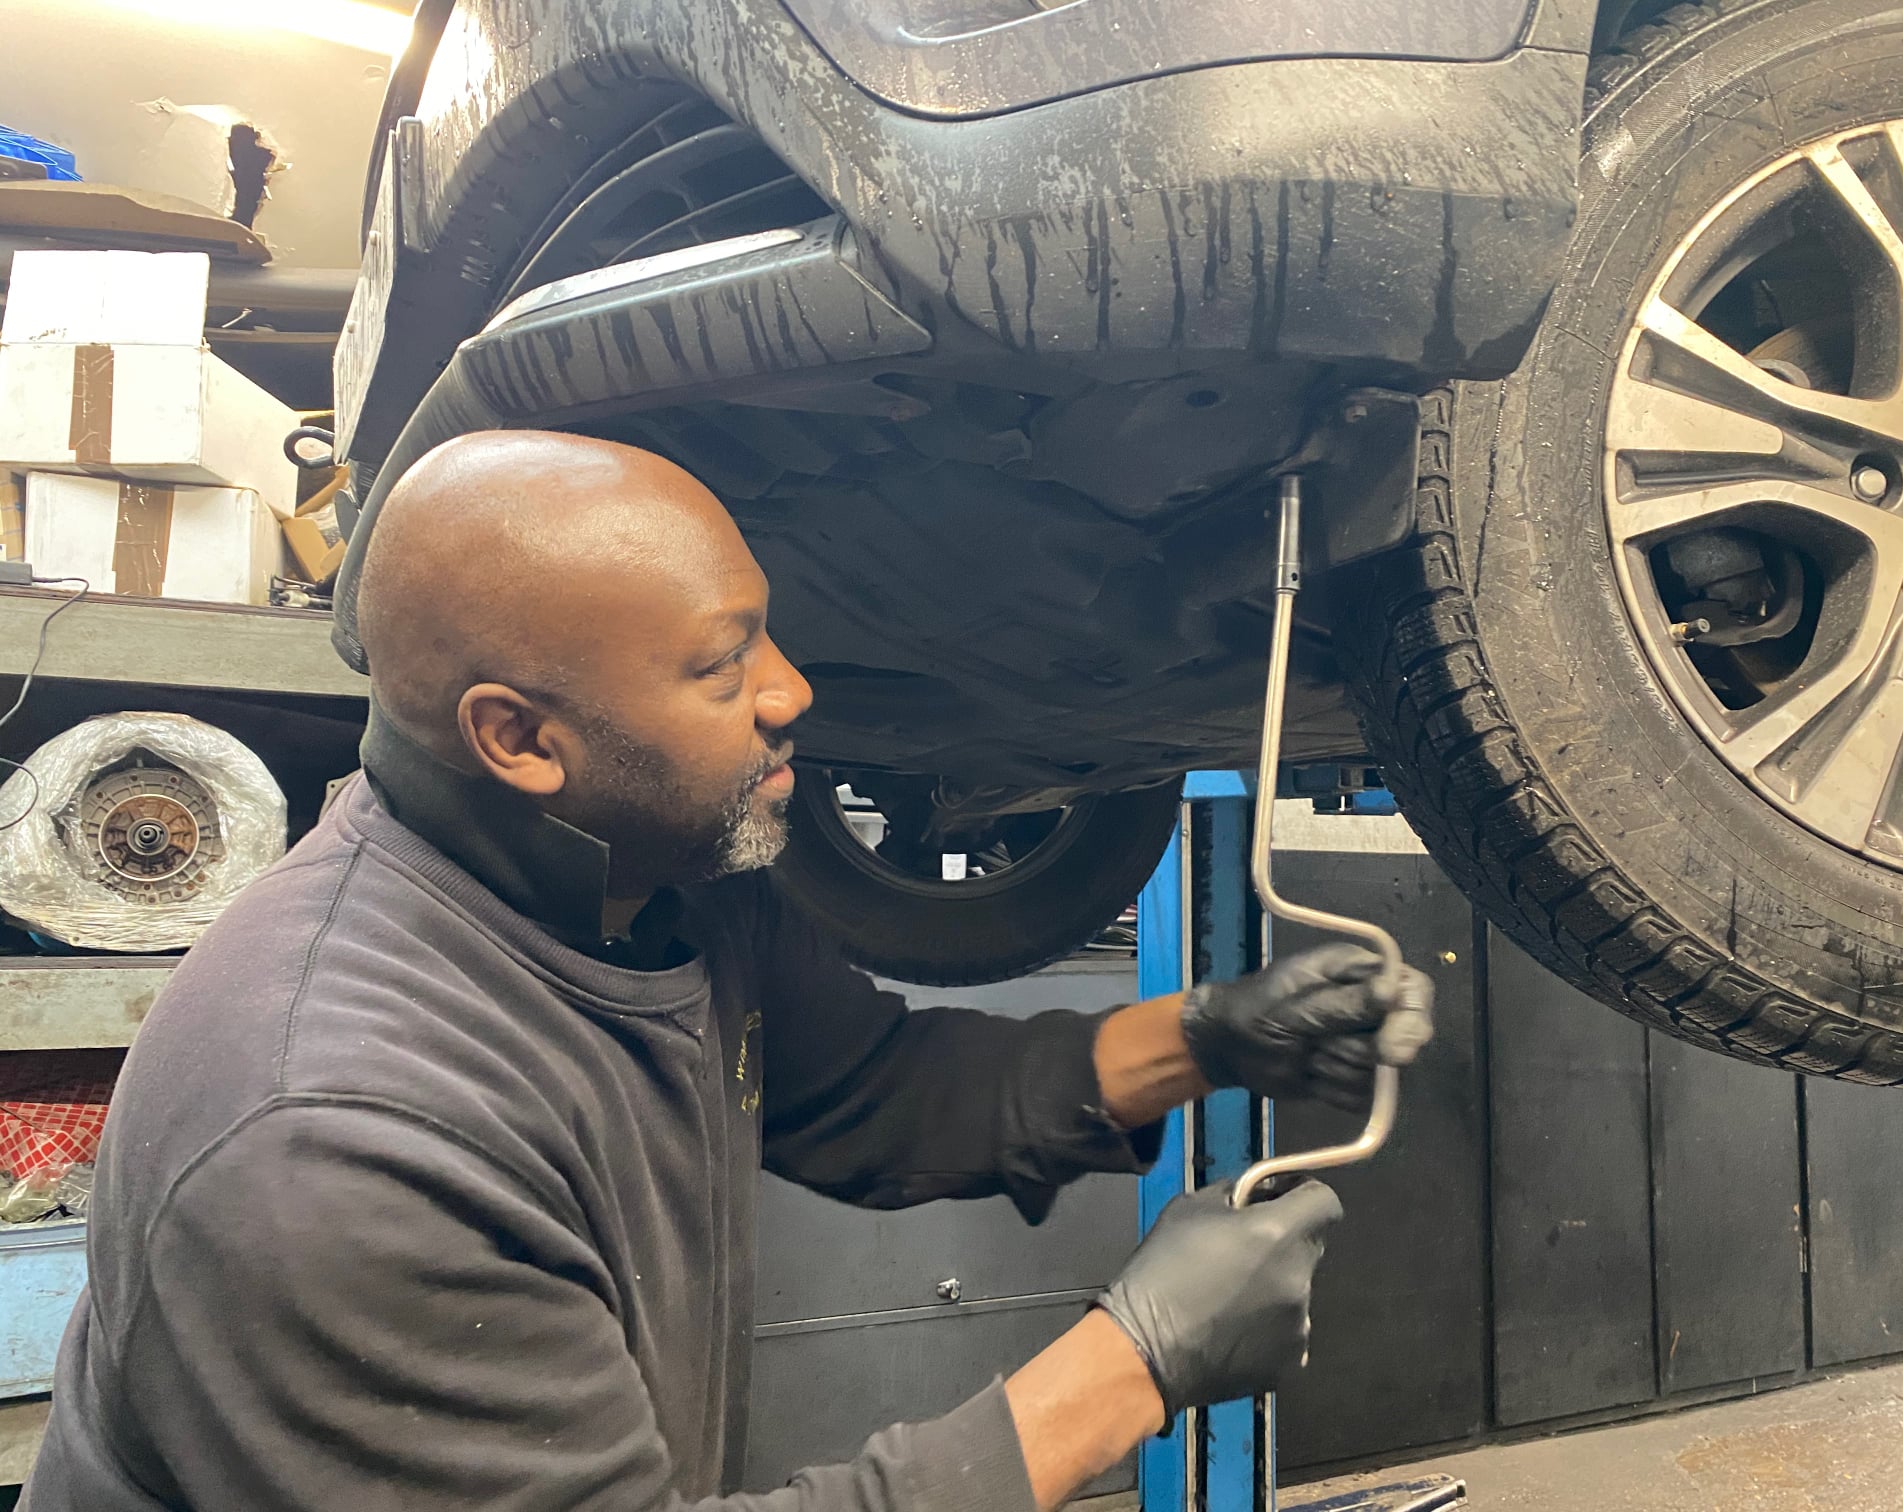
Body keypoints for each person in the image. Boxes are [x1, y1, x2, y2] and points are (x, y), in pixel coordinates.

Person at [23, 432, 1426, 1512]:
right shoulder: (335, 1138)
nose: (790, 689)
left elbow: (872, 1092)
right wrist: (1136, 1363)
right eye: (720, 664)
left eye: (765, 628)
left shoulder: (656, 882)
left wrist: (1212, 1038)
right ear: (522, 739)